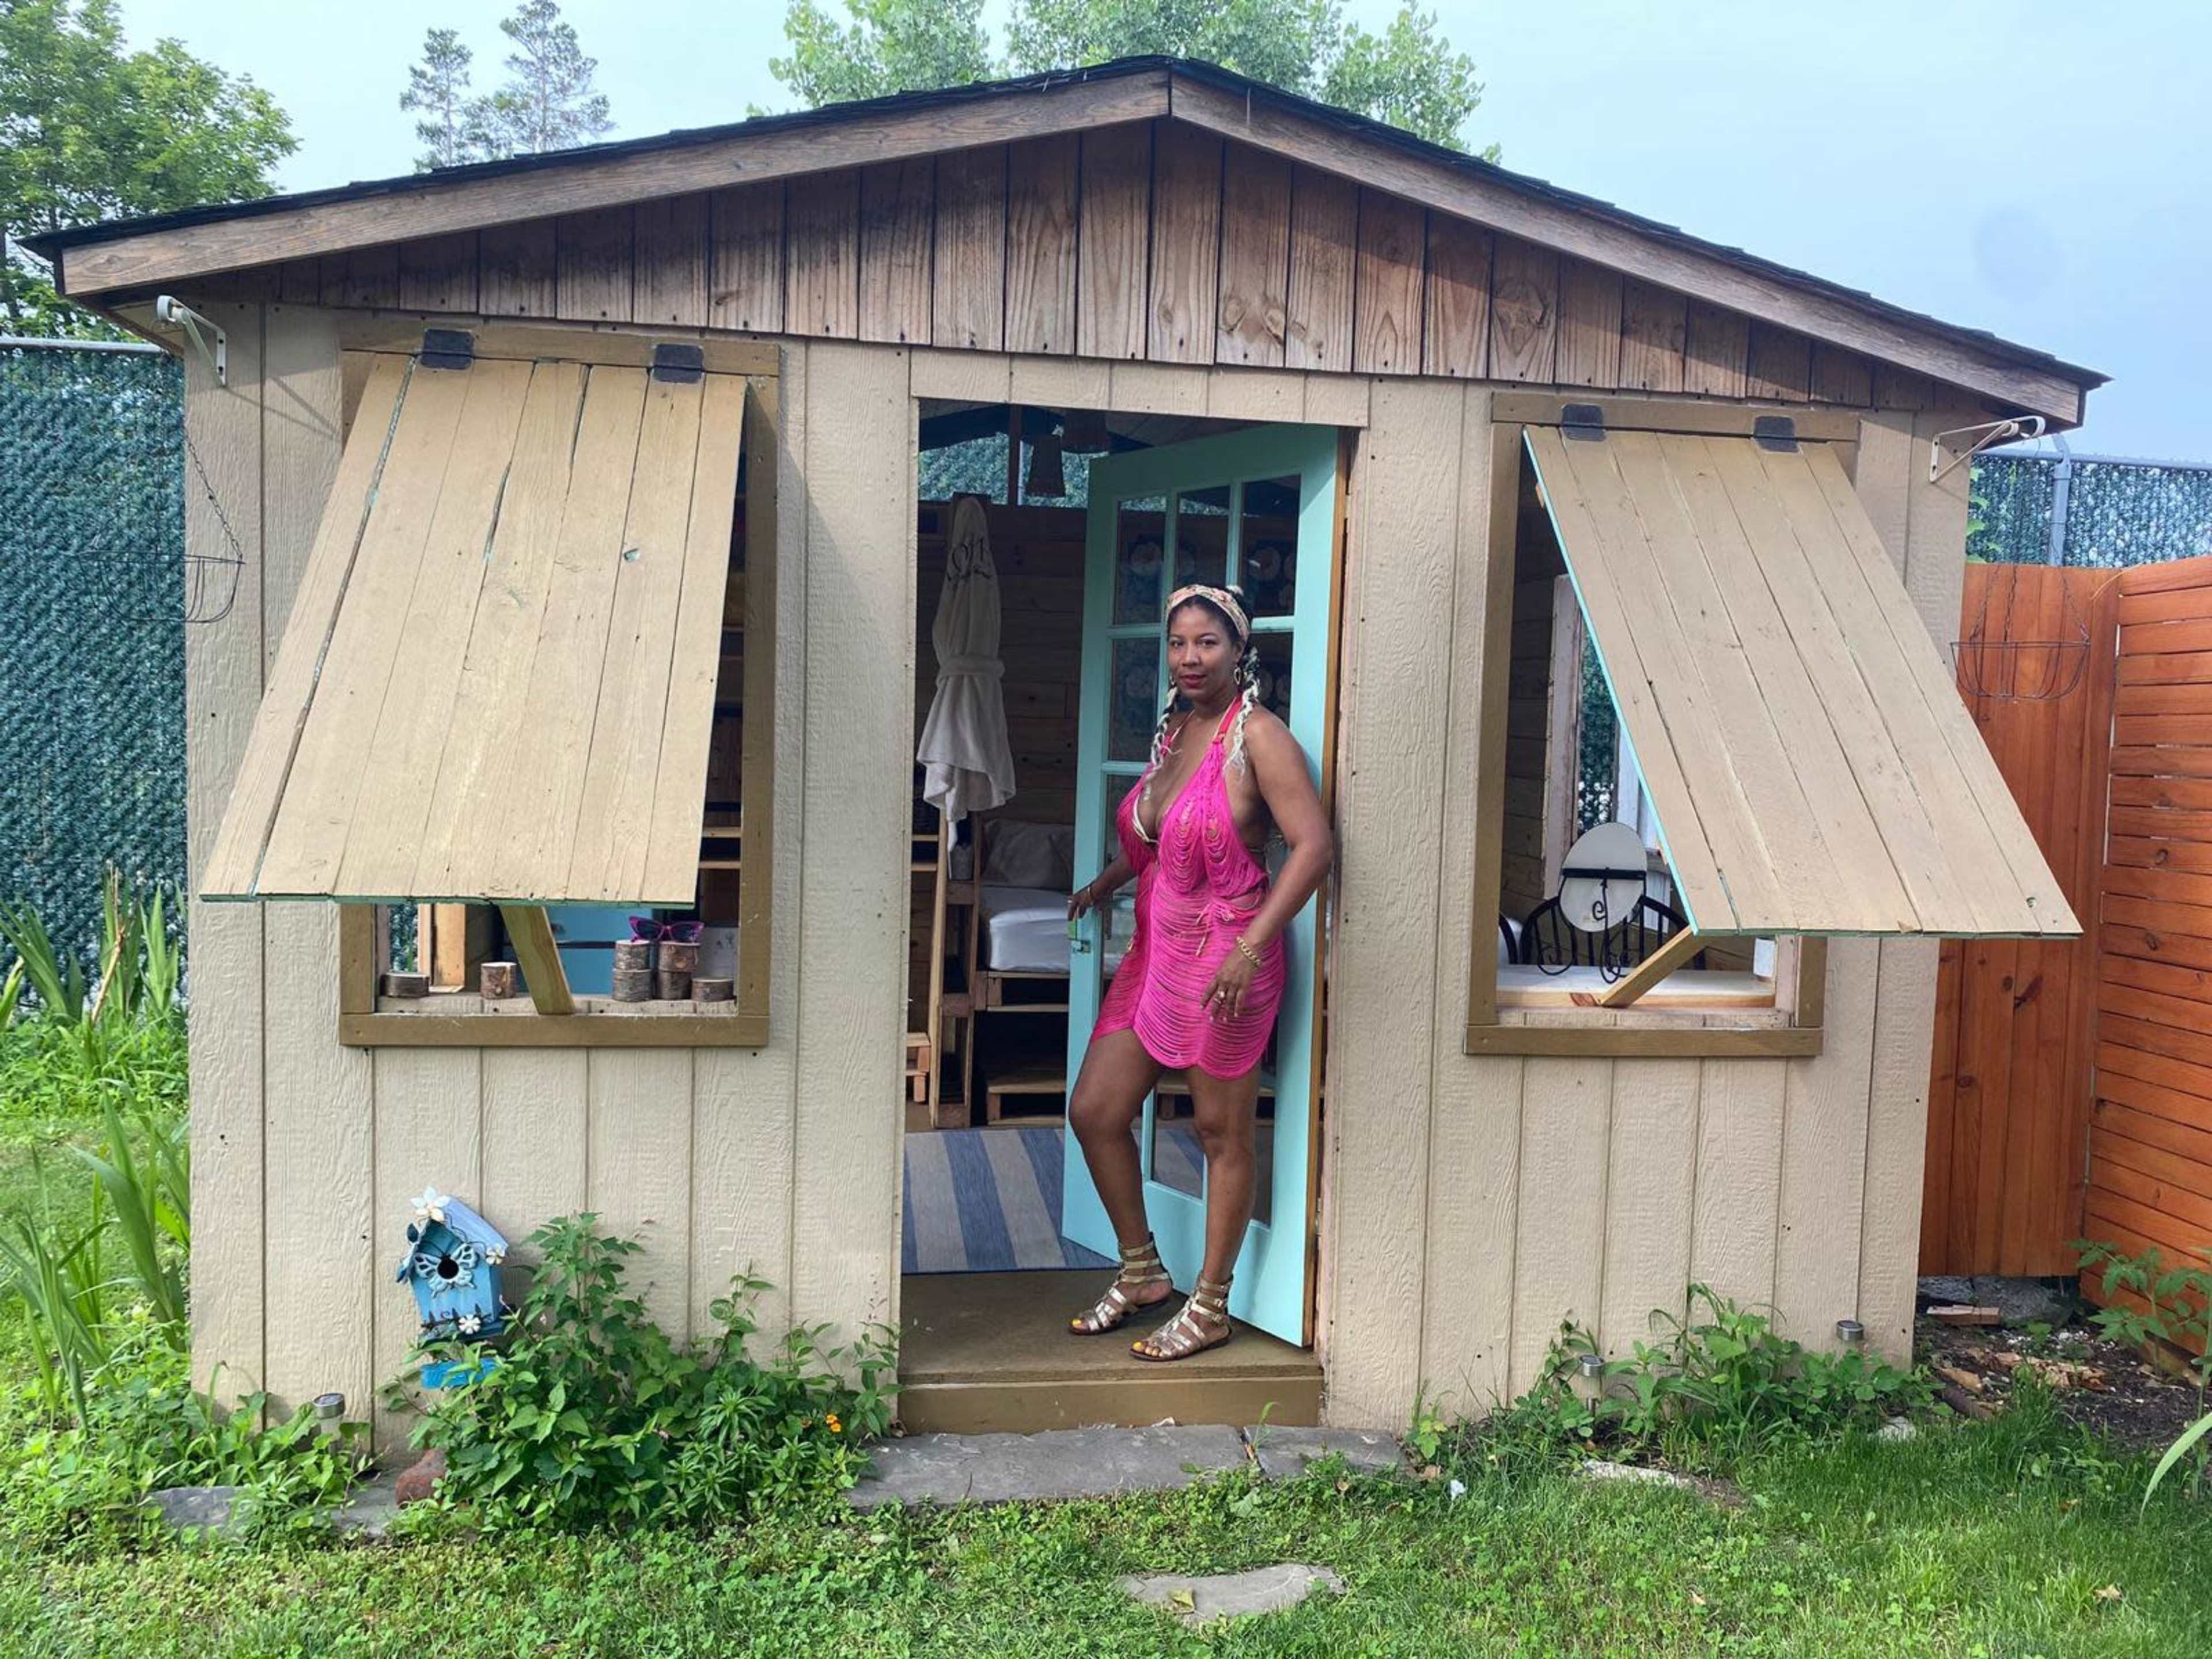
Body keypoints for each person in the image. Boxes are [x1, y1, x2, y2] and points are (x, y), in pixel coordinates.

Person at [1063, 584, 1332, 1361]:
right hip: (1156, 952)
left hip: (1230, 958)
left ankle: (1209, 1305)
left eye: (1207, 643)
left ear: (1238, 650)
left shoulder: (1260, 737)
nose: (1189, 656)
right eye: (1179, 642)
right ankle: (1144, 1271)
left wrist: (1252, 947)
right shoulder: (1175, 730)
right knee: (1095, 1110)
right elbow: (1159, 836)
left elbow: (1312, 848)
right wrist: (1106, 884)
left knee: (1221, 1131)